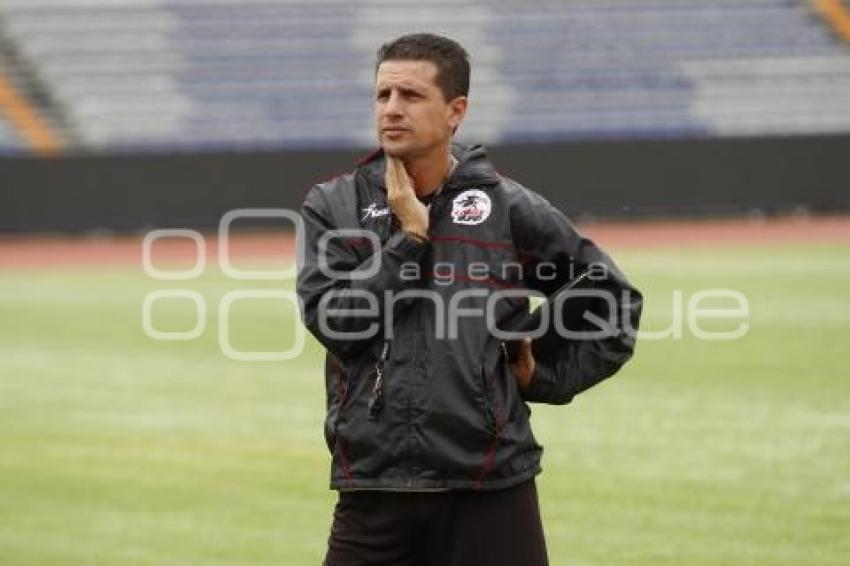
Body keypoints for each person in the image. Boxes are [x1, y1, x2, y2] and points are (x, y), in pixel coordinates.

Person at [296, 33, 643, 566]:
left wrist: (542, 374)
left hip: (490, 482)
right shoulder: (335, 205)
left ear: (456, 111)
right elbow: (336, 322)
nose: (391, 109)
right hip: (376, 486)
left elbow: (610, 297)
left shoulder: (505, 206)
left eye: (410, 96)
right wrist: (407, 240)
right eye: (383, 94)